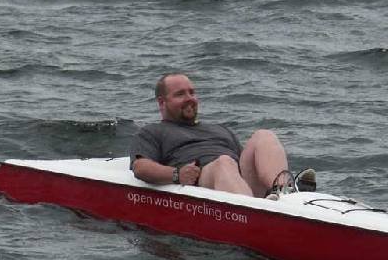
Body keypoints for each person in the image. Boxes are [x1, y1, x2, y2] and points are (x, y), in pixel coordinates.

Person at [130, 73, 315, 199]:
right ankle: (252, 211)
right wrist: (177, 174)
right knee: (224, 162)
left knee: (263, 135)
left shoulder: (219, 129)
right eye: (180, 94)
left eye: (192, 92)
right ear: (162, 102)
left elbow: (244, 165)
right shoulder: (152, 131)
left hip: (239, 184)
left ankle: (285, 192)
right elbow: (140, 167)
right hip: (205, 181)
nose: (190, 98)